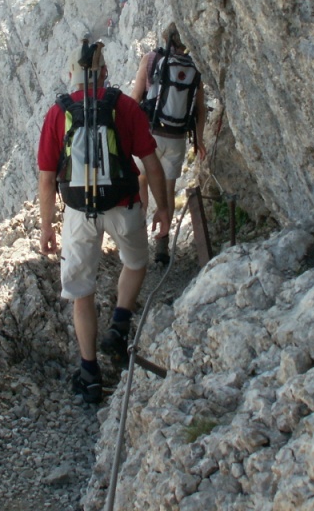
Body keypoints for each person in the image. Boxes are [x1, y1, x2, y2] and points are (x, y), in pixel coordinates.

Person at [38, 43, 172, 404]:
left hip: (79, 213)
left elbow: (47, 178)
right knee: (137, 262)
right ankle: (119, 323)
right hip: (123, 205)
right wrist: (163, 208)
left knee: (81, 293)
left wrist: (47, 226)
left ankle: (90, 374)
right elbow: (151, 163)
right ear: (105, 73)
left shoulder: (58, 113)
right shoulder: (124, 106)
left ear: (72, 76)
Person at [130, 22, 208, 264]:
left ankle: (139, 240)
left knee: (141, 181)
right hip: (176, 139)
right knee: (167, 190)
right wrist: (199, 140)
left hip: (150, 136)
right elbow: (200, 109)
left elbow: (135, 99)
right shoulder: (194, 67)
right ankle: (162, 247)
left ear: (166, 38)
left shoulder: (151, 60)